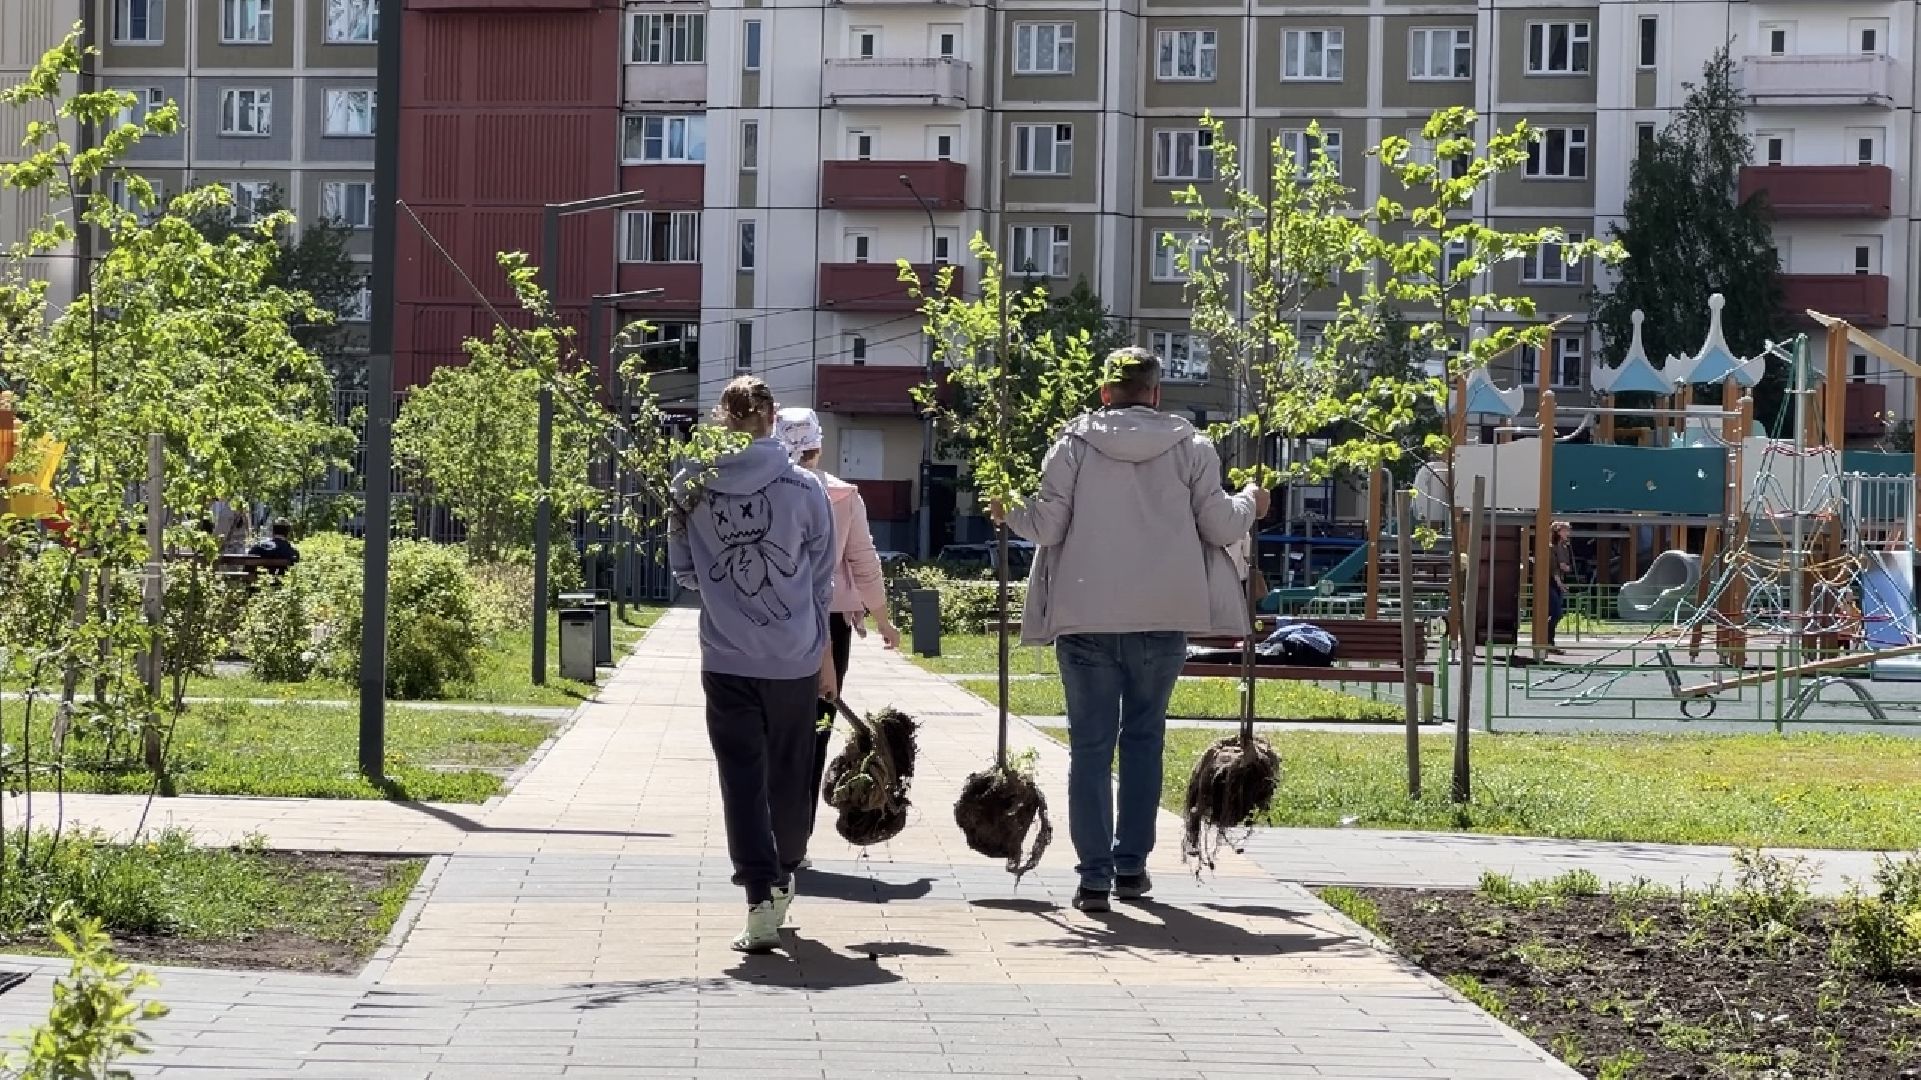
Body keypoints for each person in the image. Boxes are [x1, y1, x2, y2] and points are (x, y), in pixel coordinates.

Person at [999, 347, 1268, 912]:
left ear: (1104, 393)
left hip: (1085, 617)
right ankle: (1130, 867)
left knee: (1089, 749)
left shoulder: (1072, 446)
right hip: (1163, 618)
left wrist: (1006, 509)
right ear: (1156, 393)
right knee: (1144, 741)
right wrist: (1251, 502)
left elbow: (1046, 528)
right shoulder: (1192, 447)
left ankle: (1093, 876)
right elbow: (1221, 526)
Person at [669, 376, 838, 954]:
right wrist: (817, 643)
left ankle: (759, 896)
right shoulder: (804, 487)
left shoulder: (691, 485)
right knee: (790, 769)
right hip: (793, 654)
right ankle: (785, 866)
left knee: (740, 776)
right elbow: (821, 574)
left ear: (724, 418)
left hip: (725, 653)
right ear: (771, 417)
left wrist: (725, 596)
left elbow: (684, 569)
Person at [773, 407, 902, 850]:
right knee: (817, 726)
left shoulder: (763, 490)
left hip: (771, 618)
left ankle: (769, 829)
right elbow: (863, 559)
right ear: (819, 446)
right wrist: (883, 619)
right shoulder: (842, 496)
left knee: (774, 728)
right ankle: (798, 836)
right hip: (830, 620)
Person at [1547, 520, 1572, 653]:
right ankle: (1547, 640)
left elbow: (1565, 566)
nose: (1568, 533)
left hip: (1559, 582)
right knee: (1556, 613)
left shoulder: (1564, 547)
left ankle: (1549, 640)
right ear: (1558, 532)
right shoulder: (1551, 548)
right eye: (1565, 530)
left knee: (1555, 613)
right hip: (1551, 582)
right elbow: (1554, 569)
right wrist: (1560, 583)